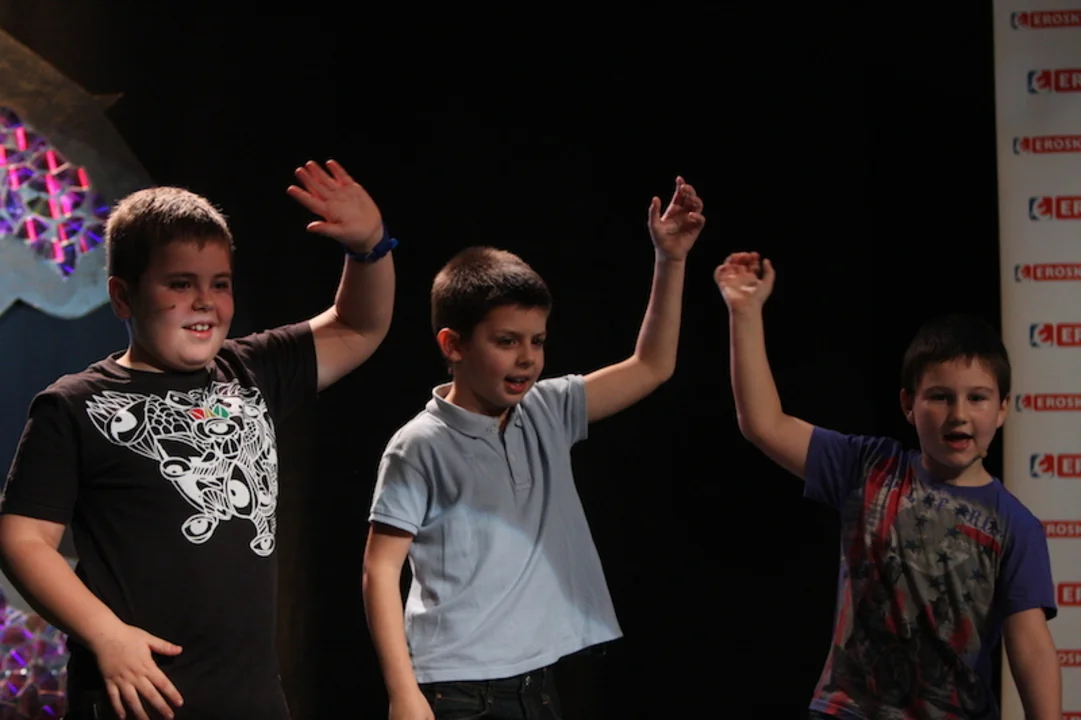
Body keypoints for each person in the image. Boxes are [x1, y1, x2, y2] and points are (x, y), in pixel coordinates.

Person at [0, 160, 396, 720]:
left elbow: (359, 325)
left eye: (220, 284)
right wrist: (106, 634)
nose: (205, 301)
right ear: (123, 297)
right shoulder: (75, 404)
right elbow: (23, 540)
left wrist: (369, 247)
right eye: (180, 284)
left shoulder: (250, 369)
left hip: (251, 702)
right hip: (142, 697)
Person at [362, 178, 705, 719]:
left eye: (537, 341)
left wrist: (671, 259)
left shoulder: (548, 409)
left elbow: (652, 366)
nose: (527, 357)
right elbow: (380, 571)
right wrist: (403, 692)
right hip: (455, 689)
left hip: (536, 686)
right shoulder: (419, 444)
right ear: (453, 344)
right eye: (507, 341)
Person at [715, 250, 1061, 719]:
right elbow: (763, 423)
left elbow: (1031, 645)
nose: (959, 414)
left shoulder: (1016, 526)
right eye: (939, 397)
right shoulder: (869, 467)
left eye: (977, 398)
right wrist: (744, 311)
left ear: (1001, 409)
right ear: (908, 405)